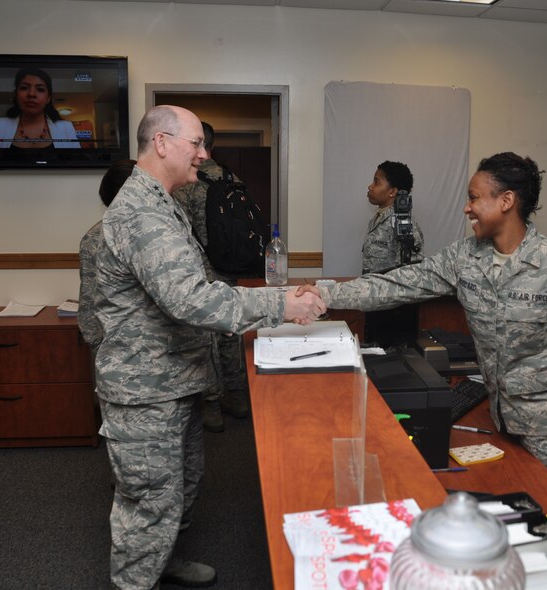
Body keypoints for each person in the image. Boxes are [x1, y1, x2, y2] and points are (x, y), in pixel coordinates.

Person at [93, 105, 325, 589]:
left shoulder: (164, 202)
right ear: (161, 142)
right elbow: (191, 299)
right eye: (196, 143)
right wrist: (281, 304)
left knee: (180, 489)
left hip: (173, 381)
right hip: (145, 394)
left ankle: (166, 559)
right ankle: (137, 578)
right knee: (149, 502)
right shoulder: (141, 212)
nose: (203, 154)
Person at [305, 152, 547, 499]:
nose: (467, 208)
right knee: (512, 523)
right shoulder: (465, 258)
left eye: (474, 198)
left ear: (506, 201)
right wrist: (326, 294)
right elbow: (398, 283)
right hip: (504, 423)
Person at [171, 122, 251, 433]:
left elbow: (179, 232)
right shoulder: (233, 178)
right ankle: (238, 396)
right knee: (231, 331)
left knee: (205, 339)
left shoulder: (186, 183)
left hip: (200, 271)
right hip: (230, 269)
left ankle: (212, 404)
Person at [77, 159, 136, 354]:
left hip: (113, 349)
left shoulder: (94, 236)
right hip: (152, 349)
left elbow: (89, 302)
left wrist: (97, 345)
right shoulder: (160, 234)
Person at [0, 67, 79, 149]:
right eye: (24, 88)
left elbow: (76, 169)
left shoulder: (66, 128)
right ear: (16, 94)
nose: (31, 94)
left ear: (48, 98)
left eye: (40, 89)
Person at [361, 161, 424, 274]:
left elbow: (413, 272)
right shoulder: (376, 220)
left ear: (392, 192)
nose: (370, 186)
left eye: (376, 182)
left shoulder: (403, 223)